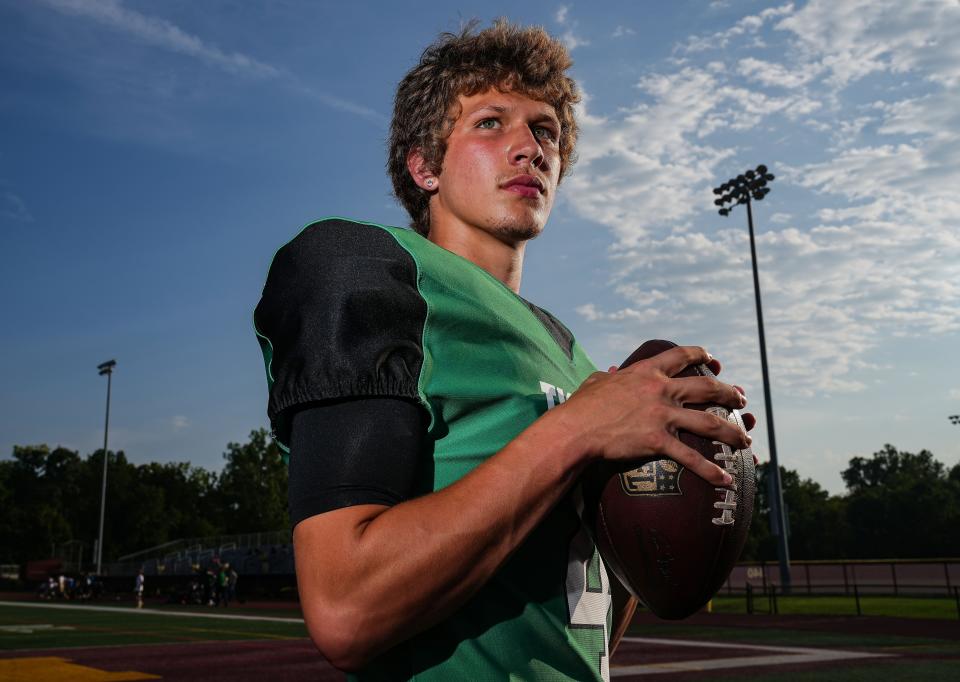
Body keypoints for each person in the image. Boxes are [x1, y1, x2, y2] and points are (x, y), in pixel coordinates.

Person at [254, 20, 754, 681]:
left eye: (545, 130)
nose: (530, 148)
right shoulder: (373, 268)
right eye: (491, 123)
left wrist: (677, 502)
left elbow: (585, 626)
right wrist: (575, 432)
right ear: (424, 165)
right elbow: (346, 609)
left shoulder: (572, 357)